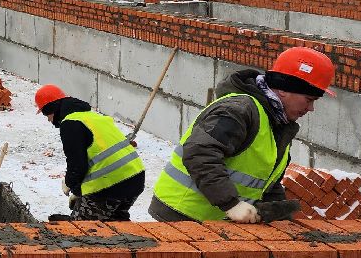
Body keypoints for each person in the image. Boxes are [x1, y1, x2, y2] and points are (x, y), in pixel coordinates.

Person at [150, 46, 334, 223]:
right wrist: (231, 204)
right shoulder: (238, 110)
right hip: (182, 214)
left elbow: (267, 182)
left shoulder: (277, 123)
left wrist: (281, 221)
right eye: (309, 99)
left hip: (215, 221)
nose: (311, 108)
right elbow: (200, 153)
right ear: (284, 89)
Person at [34, 84, 144, 222]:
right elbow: (98, 160)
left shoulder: (70, 124)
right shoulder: (91, 117)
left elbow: (77, 166)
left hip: (110, 184)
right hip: (135, 177)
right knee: (115, 222)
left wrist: (70, 185)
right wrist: (80, 192)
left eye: (45, 114)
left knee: (81, 230)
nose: (48, 119)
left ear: (51, 108)